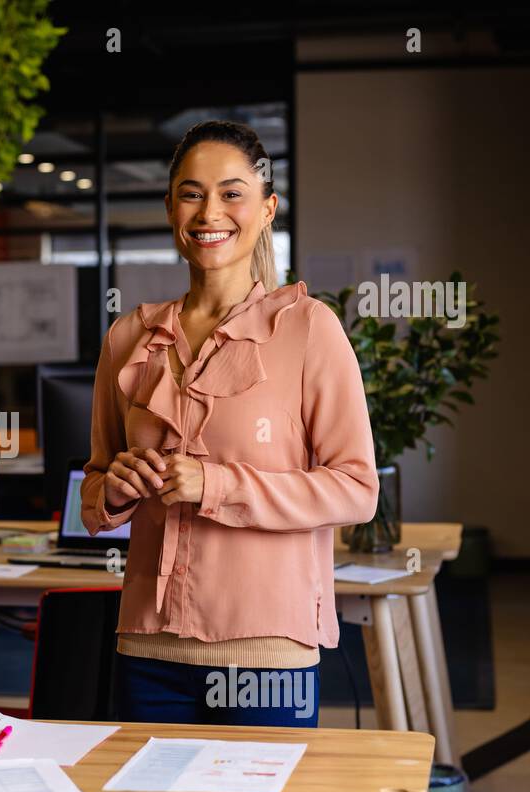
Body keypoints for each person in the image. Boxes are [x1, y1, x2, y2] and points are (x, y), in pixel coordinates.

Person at [81, 119, 378, 727]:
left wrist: (216, 486)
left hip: (266, 654)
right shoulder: (130, 337)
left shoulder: (308, 329)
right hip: (147, 647)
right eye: (191, 193)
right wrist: (113, 488)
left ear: (267, 209)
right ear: (170, 208)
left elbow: (357, 488)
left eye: (232, 192)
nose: (209, 211)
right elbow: (93, 488)